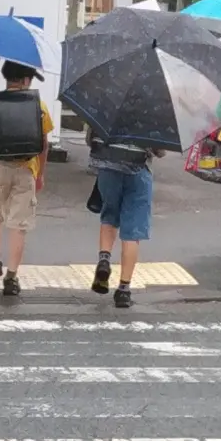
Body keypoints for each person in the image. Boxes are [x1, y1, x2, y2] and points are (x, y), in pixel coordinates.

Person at [0, 60, 54, 296]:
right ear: (26, 80)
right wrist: (39, 174)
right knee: (19, 225)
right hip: (25, 168)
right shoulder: (38, 105)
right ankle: (11, 277)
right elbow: (44, 144)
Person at [88, 130, 165, 308]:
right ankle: (123, 290)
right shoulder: (150, 113)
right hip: (138, 172)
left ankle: (104, 260)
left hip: (108, 170)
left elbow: (91, 139)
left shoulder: (107, 105)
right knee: (132, 231)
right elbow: (160, 150)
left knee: (109, 216)